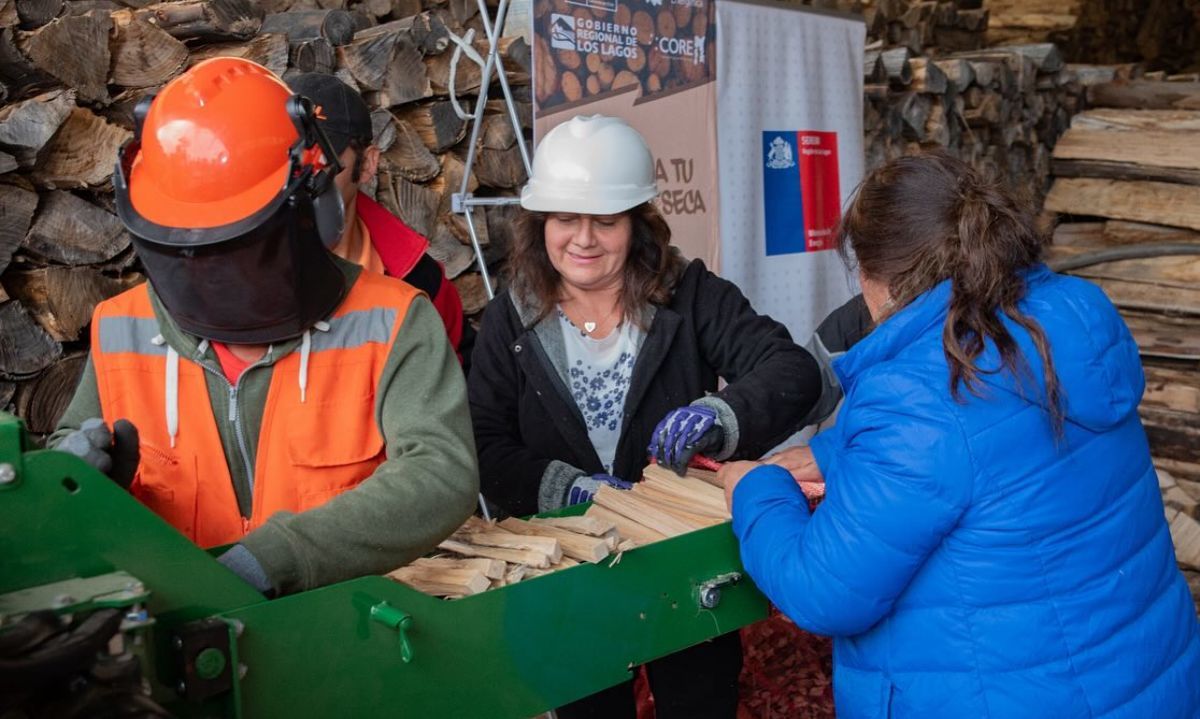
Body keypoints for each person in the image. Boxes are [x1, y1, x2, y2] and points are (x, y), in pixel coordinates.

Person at [722, 151, 1200, 718]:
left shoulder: (916, 396)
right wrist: (836, 452)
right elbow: (992, 445)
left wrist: (754, 488)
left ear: (875, 275)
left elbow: (821, 591)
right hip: (1146, 678)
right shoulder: (1068, 312)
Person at [49, 58, 479, 597]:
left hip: (342, 629)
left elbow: (440, 473)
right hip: (168, 615)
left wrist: (277, 558)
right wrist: (75, 478)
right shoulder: (120, 327)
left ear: (314, 205)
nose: (211, 274)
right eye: (192, 249)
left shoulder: (393, 319)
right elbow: (72, 445)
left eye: (235, 248)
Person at [468, 114, 823, 718]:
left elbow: (792, 371)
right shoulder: (512, 317)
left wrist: (720, 416)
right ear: (539, 224)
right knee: (589, 704)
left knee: (698, 698)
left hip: (681, 554)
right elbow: (483, 442)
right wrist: (569, 488)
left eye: (605, 221)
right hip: (571, 564)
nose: (583, 239)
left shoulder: (687, 293)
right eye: (565, 219)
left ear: (637, 223)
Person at [286, 72, 474, 368]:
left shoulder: (420, 281)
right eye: (288, 154)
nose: (300, 171)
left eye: (322, 156)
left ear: (368, 163)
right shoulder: (237, 268)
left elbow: (462, 378)